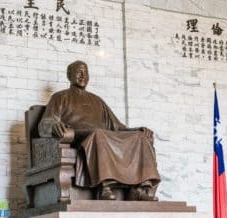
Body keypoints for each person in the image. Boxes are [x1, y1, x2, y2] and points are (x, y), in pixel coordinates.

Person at [38, 60, 160, 201]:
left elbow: (117, 127)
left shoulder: (97, 100)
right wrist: (54, 126)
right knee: (99, 133)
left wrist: (137, 130)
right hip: (79, 136)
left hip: (101, 136)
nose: (83, 75)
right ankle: (104, 188)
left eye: (86, 72)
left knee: (139, 137)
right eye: (79, 72)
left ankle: (138, 189)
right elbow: (45, 123)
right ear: (69, 75)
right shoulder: (59, 97)